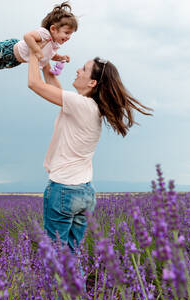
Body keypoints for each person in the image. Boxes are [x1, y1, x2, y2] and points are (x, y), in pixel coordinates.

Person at [27, 49, 153, 253]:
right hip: (84, 193)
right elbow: (52, 85)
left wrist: (33, 51)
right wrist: (46, 58)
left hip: (64, 190)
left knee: (57, 260)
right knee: (71, 256)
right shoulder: (88, 107)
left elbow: (34, 84)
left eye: (84, 69)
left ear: (92, 83)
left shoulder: (81, 105)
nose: (77, 70)